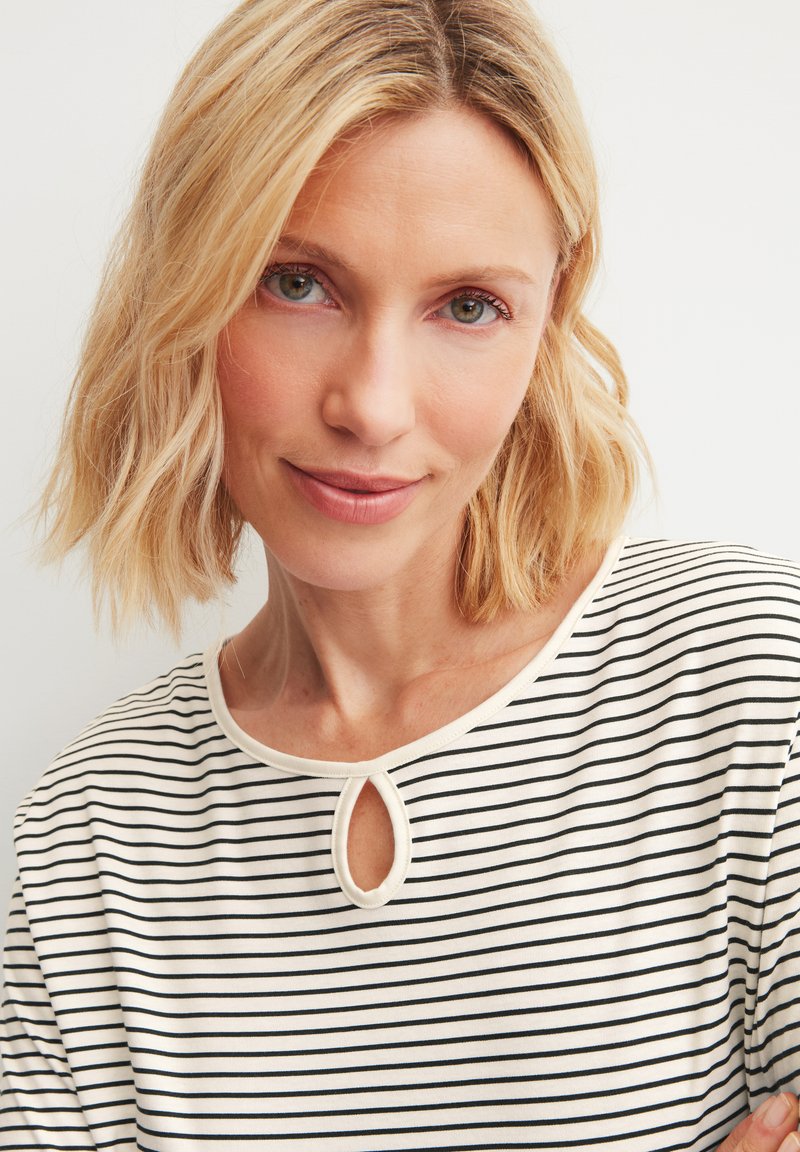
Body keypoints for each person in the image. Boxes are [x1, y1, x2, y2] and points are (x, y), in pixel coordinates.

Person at [2, 1, 799, 1149]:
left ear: (547, 317)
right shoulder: (94, 831)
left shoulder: (746, 683)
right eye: (296, 283)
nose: (371, 407)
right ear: (186, 287)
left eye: (467, 307)